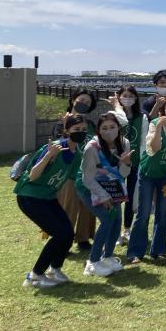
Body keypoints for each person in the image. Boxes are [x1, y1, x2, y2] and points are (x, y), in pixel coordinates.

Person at [15, 115, 85, 288]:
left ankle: (55, 269)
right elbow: (32, 176)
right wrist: (48, 156)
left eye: (84, 130)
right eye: (76, 130)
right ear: (66, 131)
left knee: (68, 233)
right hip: (30, 197)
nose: (81, 133)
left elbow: (74, 179)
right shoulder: (55, 148)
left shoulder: (77, 154)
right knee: (60, 234)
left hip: (48, 197)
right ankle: (34, 276)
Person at [126, 94, 166, 264]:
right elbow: (153, 148)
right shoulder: (155, 124)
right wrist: (159, 127)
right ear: (163, 110)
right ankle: (135, 252)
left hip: (165, 176)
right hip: (147, 174)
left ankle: (158, 250)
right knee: (143, 213)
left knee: (162, 213)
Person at [77, 112, 132, 277]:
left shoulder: (124, 143)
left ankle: (107, 256)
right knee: (107, 218)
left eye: (113, 127)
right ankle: (92, 262)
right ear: (98, 131)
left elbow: (123, 173)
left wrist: (126, 162)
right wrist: (103, 196)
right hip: (89, 187)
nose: (109, 131)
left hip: (112, 185)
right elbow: (87, 178)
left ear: (119, 128)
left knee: (117, 221)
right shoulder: (92, 148)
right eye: (104, 128)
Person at [55, 88, 98, 251]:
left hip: (88, 171)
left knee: (88, 207)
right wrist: (65, 126)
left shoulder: (91, 125)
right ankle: (63, 240)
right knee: (68, 207)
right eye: (81, 100)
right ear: (73, 100)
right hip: (69, 173)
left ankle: (83, 238)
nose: (84, 104)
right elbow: (57, 145)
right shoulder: (61, 122)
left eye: (88, 102)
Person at [111, 86, 147, 246]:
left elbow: (144, 141)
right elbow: (123, 121)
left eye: (131, 96)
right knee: (116, 197)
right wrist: (117, 108)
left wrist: (141, 161)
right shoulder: (113, 116)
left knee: (131, 197)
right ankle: (115, 231)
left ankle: (127, 229)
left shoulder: (142, 117)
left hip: (135, 162)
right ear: (118, 97)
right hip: (115, 162)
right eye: (124, 96)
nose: (127, 98)